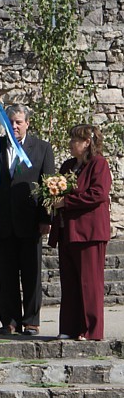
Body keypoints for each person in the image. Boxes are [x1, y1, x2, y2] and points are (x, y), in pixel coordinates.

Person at [0, 103, 55, 336]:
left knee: (31, 274)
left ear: (27, 123)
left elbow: (48, 186)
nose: (15, 126)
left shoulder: (42, 148)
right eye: (10, 121)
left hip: (31, 222)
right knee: (7, 276)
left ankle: (31, 321)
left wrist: (46, 217)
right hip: (3, 221)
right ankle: (10, 321)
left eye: (19, 122)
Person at [48, 124, 111, 341]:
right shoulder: (68, 166)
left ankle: (91, 330)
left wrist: (66, 201)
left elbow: (98, 194)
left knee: (89, 282)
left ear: (87, 143)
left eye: (75, 140)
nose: (70, 144)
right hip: (68, 232)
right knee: (70, 281)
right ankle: (69, 327)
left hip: (89, 233)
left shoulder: (99, 164)